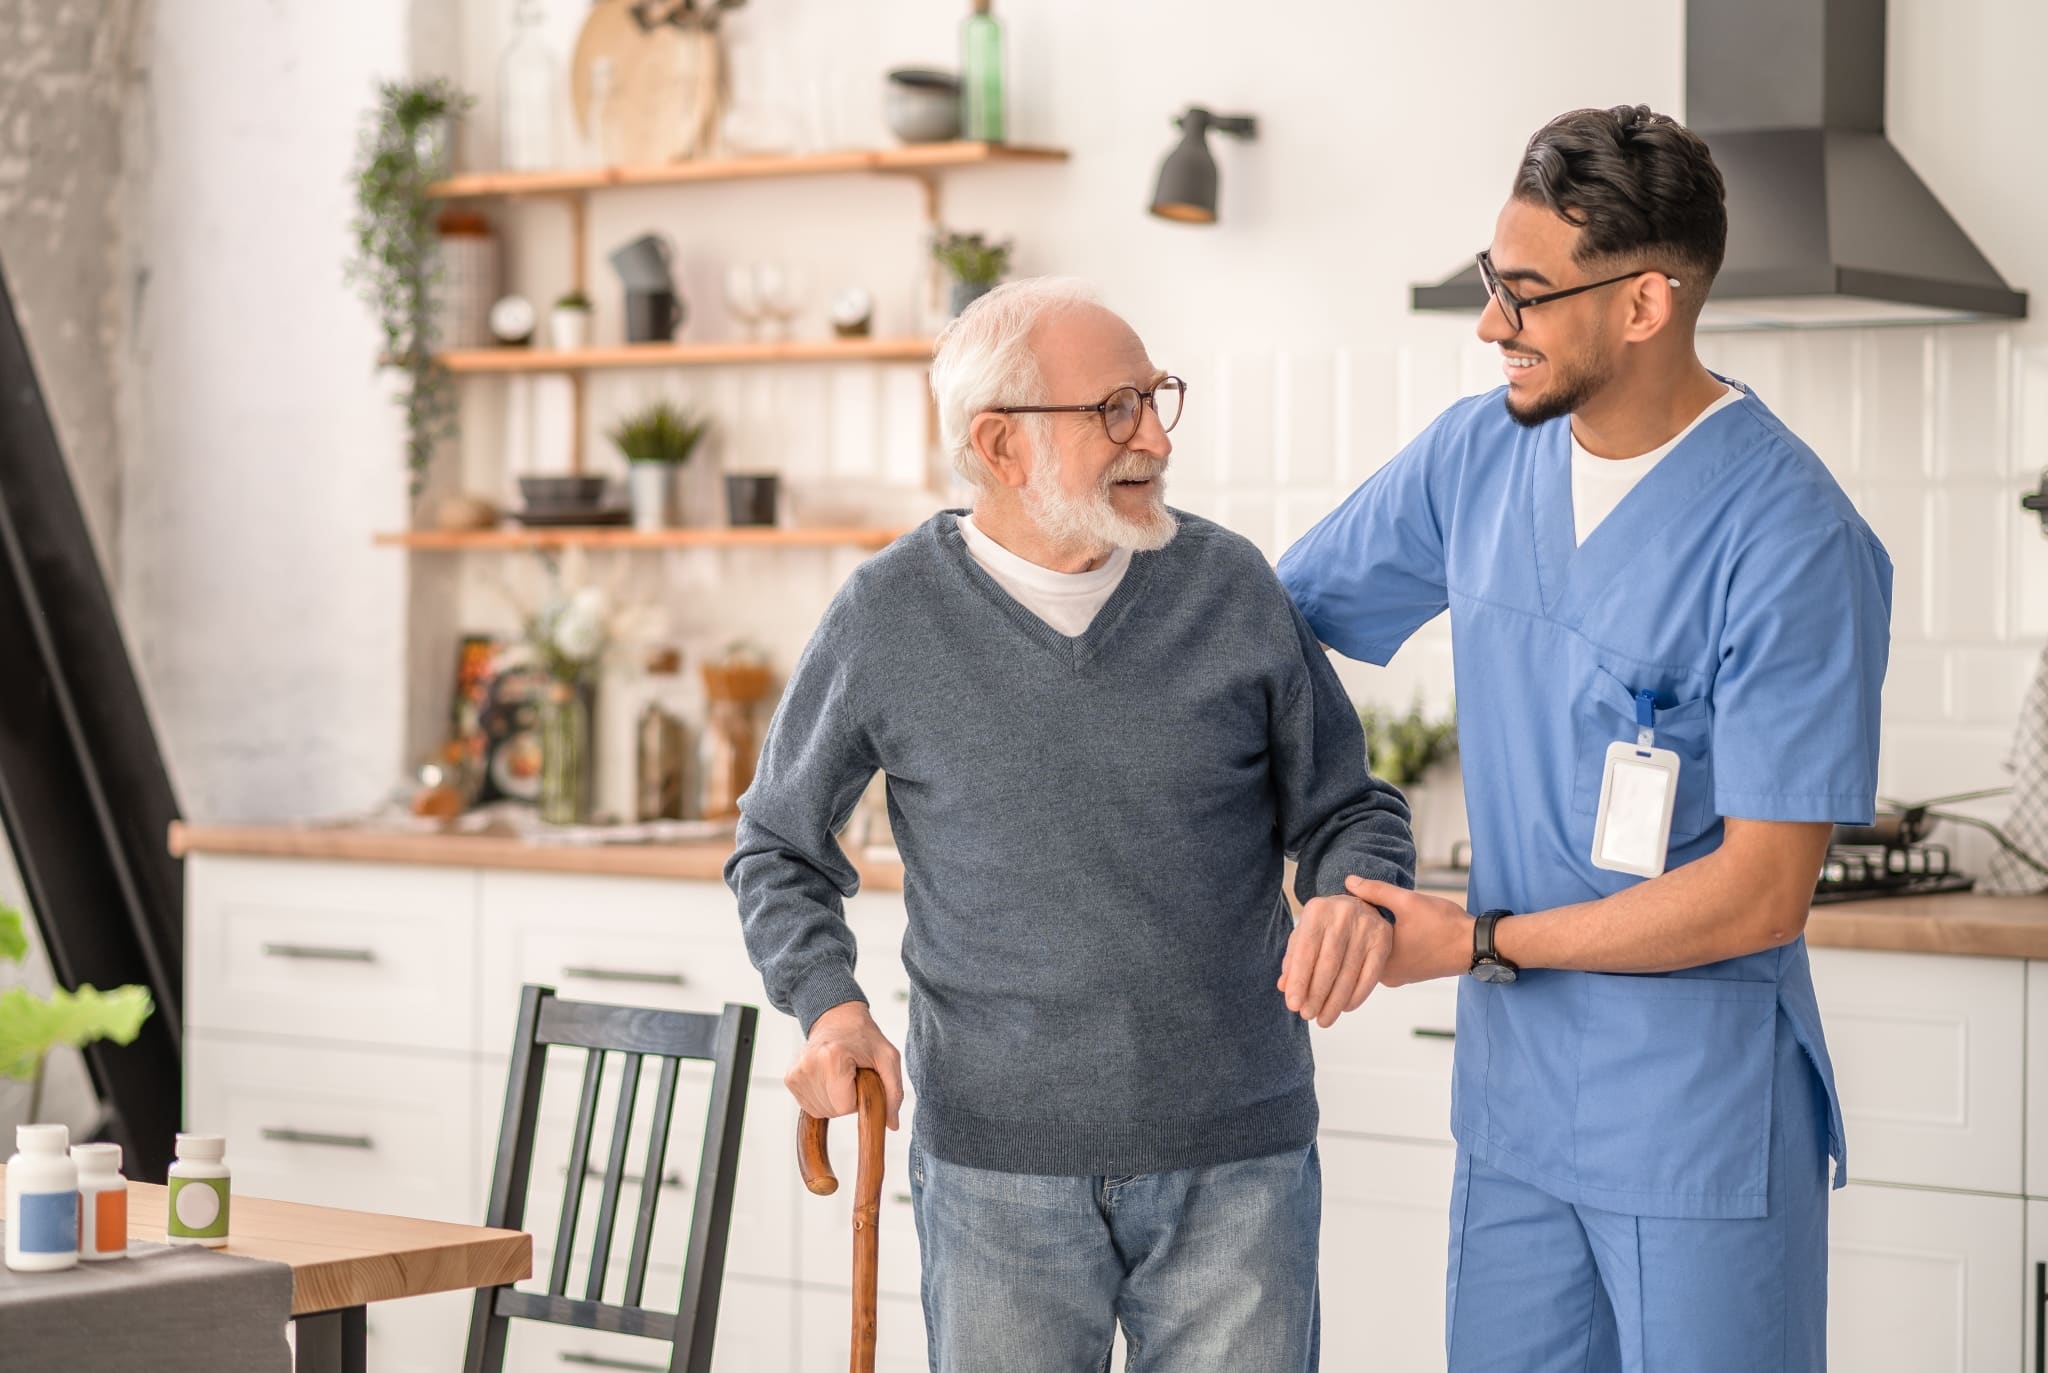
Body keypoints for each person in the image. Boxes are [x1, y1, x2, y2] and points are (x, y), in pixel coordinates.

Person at [1278, 105, 1891, 1372]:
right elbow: (1270, 629)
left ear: (1643, 305)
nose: (1491, 323)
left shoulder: (1790, 538)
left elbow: (1762, 891)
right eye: (1490, 282)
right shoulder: (1473, 460)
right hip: (1515, 1119)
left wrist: (1480, 938)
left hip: (1694, 1125)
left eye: (1525, 293)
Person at [728, 276, 1415, 1372]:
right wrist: (828, 1005)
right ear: (999, 445)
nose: (1152, 435)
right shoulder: (887, 614)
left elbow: (1348, 807)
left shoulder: (1228, 585)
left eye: (1154, 398)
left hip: (1236, 1157)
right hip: (996, 1170)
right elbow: (777, 847)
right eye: (1113, 408)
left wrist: (1348, 887)